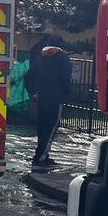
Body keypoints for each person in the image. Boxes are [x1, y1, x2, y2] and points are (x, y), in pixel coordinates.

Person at [24, 35, 72, 169]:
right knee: (50, 130)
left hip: (42, 98)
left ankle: (42, 154)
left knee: (42, 128)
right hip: (55, 99)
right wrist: (67, 93)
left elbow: (28, 76)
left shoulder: (41, 58)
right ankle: (41, 157)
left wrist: (33, 92)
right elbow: (65, 79)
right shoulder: (63, 59)